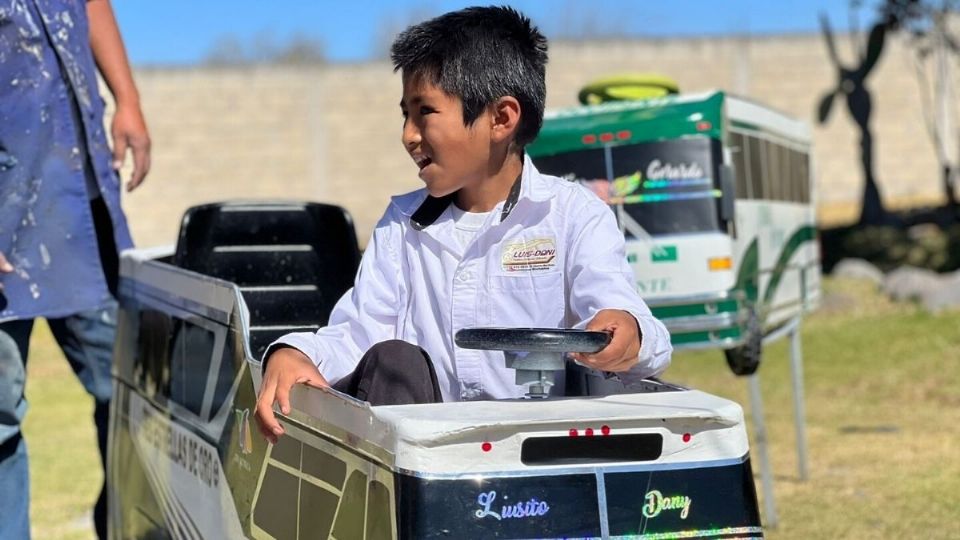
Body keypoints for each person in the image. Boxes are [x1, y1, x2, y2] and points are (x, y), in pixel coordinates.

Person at [255, 6, 672, 444]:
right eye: (405, 114)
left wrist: (626, 331)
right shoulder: (402, 225)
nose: (408, 135)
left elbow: (631, 323)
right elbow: (359, 333)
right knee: (394, 359)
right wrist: (293, 352)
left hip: (539, 458)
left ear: (501, 119)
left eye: (425, 112)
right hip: (427, 469)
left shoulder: (573, 216)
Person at [0, 0, 150, 538]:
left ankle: (122, 526)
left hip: (80, 215)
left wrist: (126, 98)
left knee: (132, 394)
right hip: (4, 209)